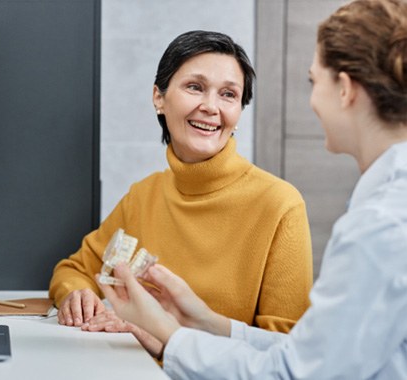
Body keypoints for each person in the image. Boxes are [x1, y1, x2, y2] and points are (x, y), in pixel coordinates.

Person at [98, 0, 407, 378]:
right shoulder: (386, 210)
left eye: (313, 81)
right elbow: (316, 354)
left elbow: (293, 373)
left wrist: (169, 335)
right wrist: (208, 321)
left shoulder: (381, 225)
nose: (312, 101)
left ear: (344, 90)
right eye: (195, 87)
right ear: (158, 97)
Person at [49, 30, 313, 350]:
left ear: (239, 111)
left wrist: (163, 331)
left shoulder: (280, 204)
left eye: (228, 94)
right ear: (159, 97)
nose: (210, 106)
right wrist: (78, 296)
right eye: (195, 87)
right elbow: (74, 269)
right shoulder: (143, 195)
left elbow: (286, 347)